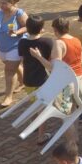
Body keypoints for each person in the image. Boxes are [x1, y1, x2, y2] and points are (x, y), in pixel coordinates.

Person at [16, 16, 54, 145]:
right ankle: (41, 136)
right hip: (42, 80)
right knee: (42, 109)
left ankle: (34, 125)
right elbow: (50, 61)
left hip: (28, 79)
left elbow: (22, 59)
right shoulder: (47, 42)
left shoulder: (22, 43)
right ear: (42, 28)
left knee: (33, 103)